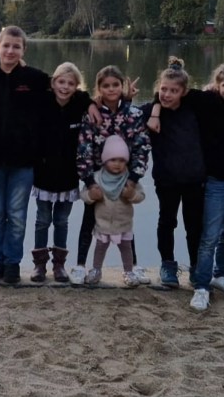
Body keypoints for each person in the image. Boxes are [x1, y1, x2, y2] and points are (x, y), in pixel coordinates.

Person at [0, 26, 51, 284]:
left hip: (23, 164)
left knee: (16, 217)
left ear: (24, 50)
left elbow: (65, 89)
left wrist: (91, 104)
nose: (10, 51)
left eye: (16, 46)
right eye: (6, 45)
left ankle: (12, 263)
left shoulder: (34, 78)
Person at [172, 63, 224, 311]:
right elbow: (174, 90)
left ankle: (221, 276)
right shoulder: (206, 101)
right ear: (217, 85)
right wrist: (155, 111)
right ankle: (201, 286)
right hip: (216, 181)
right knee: (209, 237)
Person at [72, 66, 151, 284]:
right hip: (98, 178)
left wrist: (133, 180)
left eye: (115, 84)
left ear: (122, 86)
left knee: (125, 222)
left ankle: (133, 266)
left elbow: (142, 147)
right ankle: (81, 265)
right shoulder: (92, 114)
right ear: (99, 88)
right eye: (106, 85)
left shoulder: (133, 114)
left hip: (124, 177)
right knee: (89, 220)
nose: (111, 89)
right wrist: (89, 181)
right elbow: (84, 148)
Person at [139, 57, 205, 288]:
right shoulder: (149, 112)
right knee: (167, 222)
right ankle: (168, 264)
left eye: (173, 91)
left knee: (194, 225)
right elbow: (124, 115)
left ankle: (196, 266)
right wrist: (152, 107)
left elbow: (219, 94)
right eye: (163, 89)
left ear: (184, 92)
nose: (167, 95)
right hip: (166, 179)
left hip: (195, 179)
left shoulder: (194, 109)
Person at [30, 62, 91, 282]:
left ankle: (59, 265)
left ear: (76, 87)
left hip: (68, 176)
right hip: (43, 174)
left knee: (62, 221)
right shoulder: (42, 102)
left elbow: (88, 99)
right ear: (53, 83)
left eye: (70, 83)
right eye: (61, 82)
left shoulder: (79, 105)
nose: (65, 87)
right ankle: (39, 266)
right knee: (42, 220)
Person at [79, 135, 146, 287]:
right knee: (100, 248)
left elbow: (141, 196)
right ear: (105, 160)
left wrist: (132, 195)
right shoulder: (97, 178)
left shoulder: (129, 179)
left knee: (126, 249)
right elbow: (84, 195)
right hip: (103, 224)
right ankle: (96, 270)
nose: (117, 164)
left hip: (123, 224)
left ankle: (128, 271)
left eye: (122, 160)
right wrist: (91, 195)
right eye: (113, 160)